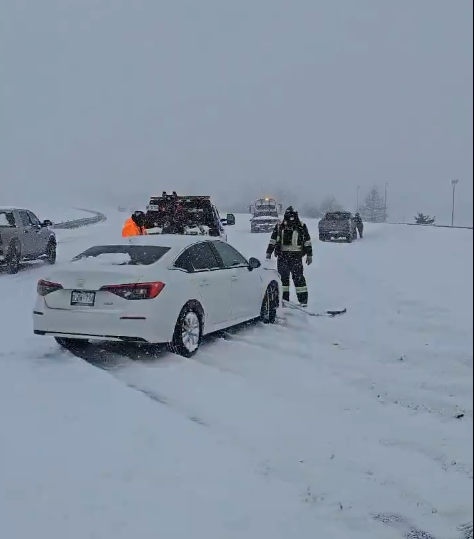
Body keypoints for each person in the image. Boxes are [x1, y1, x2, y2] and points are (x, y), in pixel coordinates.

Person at [266, 206, 313, 306]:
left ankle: (303, 300)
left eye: (293, 216)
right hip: (283, 256)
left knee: (298, 278)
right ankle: (284, 300)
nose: (291, 219)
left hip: (296, 256)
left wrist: (309, 255)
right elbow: (273, 240)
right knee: (283, 279)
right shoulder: (279, 226)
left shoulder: (301, 226)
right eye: (289, 216)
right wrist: (269, 252)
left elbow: (307, 241)